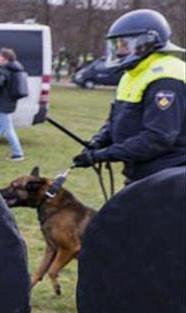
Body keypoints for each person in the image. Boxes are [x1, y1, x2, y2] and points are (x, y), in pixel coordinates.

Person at [74, 9, 186, 184]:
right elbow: (117, 119)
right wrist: (99, 141)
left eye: (124, 44)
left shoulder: (166, 77)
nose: (119, 51)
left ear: (146, 43)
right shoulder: (132, 74)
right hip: (142, 172)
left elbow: (158, 137)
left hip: (168, 175)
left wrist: (104, 155)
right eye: (117, 45)